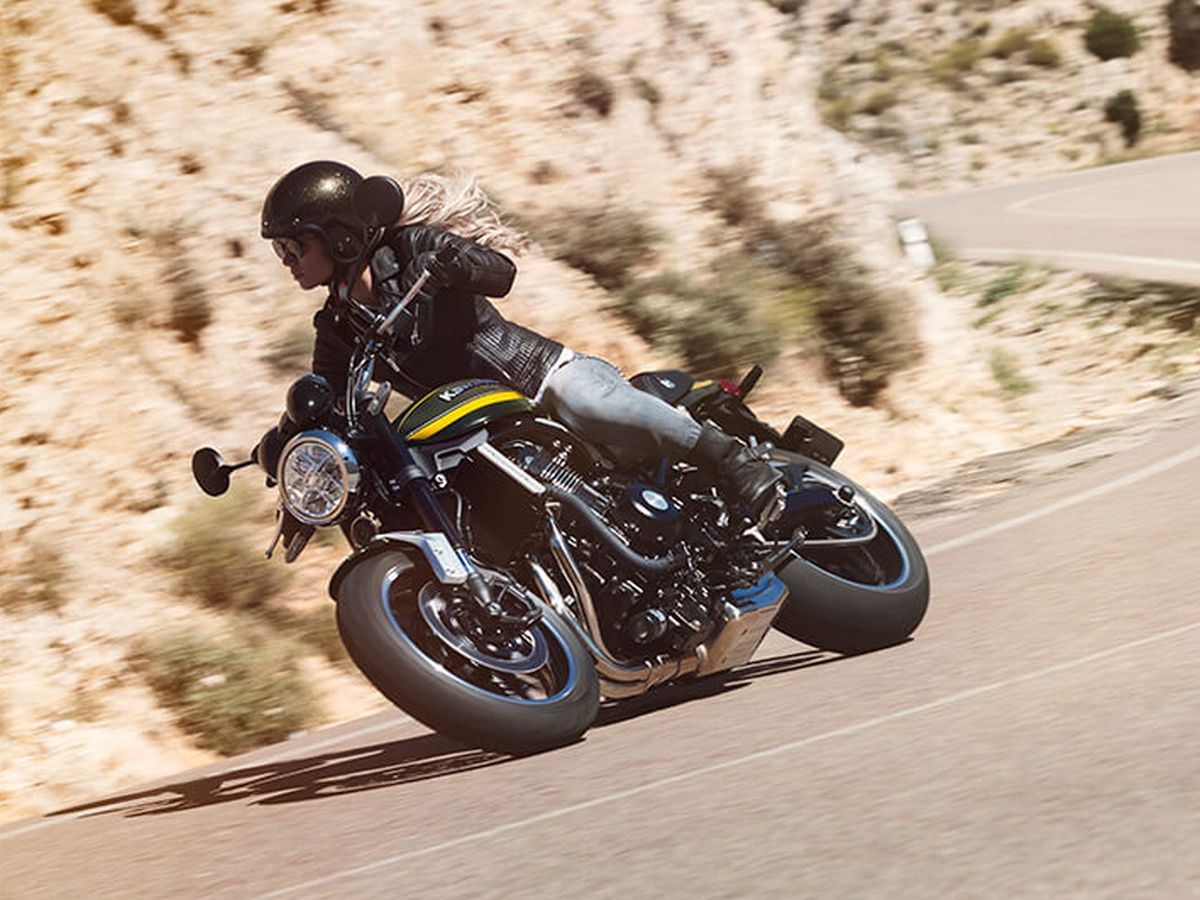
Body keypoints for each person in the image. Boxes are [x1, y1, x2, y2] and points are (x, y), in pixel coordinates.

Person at [258, 160, 784, 526]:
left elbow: (500, 272)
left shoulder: (413, 247)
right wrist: (277, 445)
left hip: (538, 381)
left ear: (340, 235)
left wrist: (451, 265)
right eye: (282, 252)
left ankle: (732, 460)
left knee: (589, 403)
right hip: (475, 429)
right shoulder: (338, 326)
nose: (288, 262)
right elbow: (324, 395)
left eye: (294, 247)